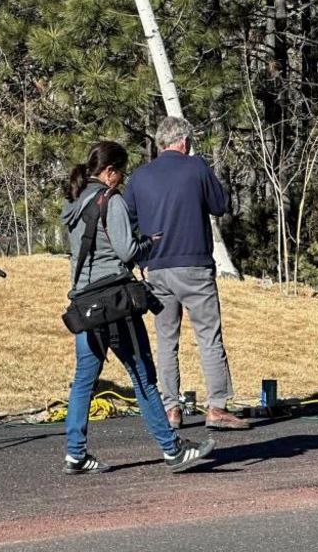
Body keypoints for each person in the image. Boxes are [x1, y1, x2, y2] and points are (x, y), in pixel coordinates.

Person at [61, 141, 216, 475]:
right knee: (143, 376)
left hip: (85, 302)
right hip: (114, 302)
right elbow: (126, 249)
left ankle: (75, 453)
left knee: (84, 380)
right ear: (110, 171)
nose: (123, 179)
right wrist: (150, 242)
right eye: (122, 172)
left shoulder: (75, 203)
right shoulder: (109, 200)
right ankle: (172, 448)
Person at [122, 117, 249, 430]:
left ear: (161, 143)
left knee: (166, 340)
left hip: (157, 266)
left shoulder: (140, 177)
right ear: (184, 141)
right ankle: (217, 406)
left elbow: (125, 218)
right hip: (193, 264)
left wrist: (141, 254)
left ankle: (171, 409)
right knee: (208, 335)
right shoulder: (196, 168)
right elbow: (220, 205)